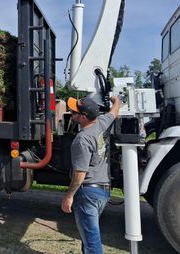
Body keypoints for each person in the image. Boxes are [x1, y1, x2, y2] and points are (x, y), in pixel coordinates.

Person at [61, 95, 120, 254]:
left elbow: (80, 173)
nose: (70, 113)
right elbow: (114, 112)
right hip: (103, 191)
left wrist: (69, 196)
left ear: (84, 117)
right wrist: (116, 100)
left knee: (92, 241)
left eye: (74, 112)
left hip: (88, 193)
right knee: (87, 237)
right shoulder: (102, 123)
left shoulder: (82, 139)